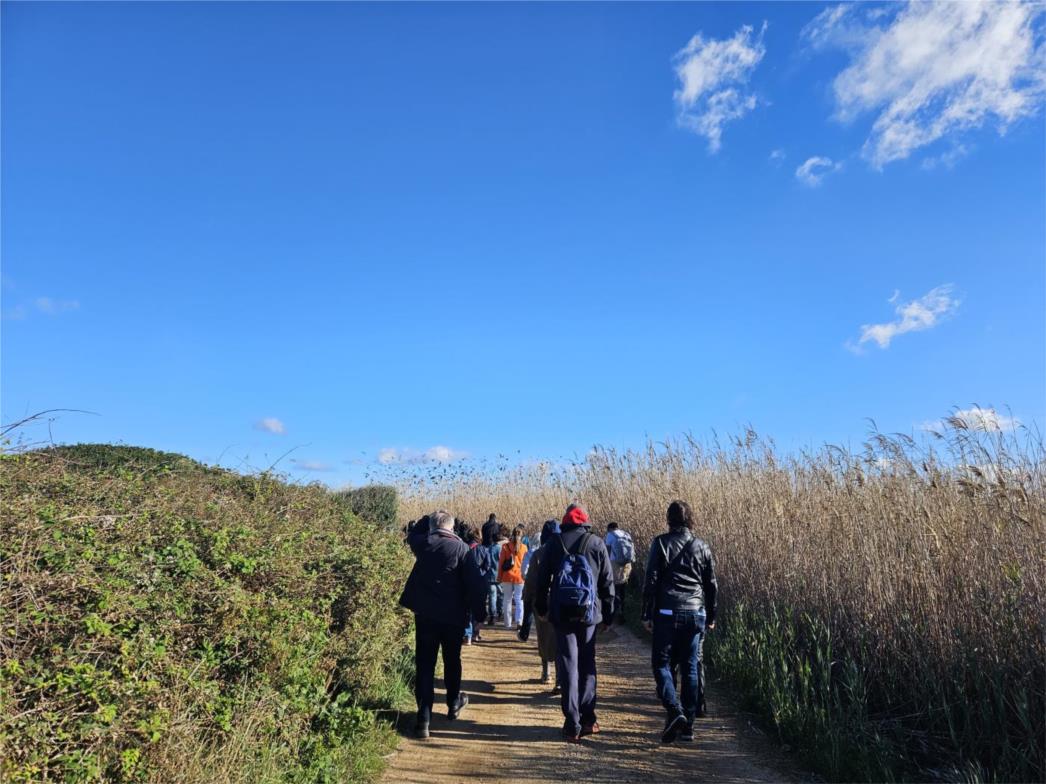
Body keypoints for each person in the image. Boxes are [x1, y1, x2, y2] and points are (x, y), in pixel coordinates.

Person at [399, 510, 487, 739]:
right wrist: (480, 612)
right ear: (451, 527)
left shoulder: (423, 543)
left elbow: (413, 532)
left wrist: (428, 519)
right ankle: (453, 703)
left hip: (426, 616)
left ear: (432, 527)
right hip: (453, 616)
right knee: (452, 660)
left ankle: (423, 719)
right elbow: (475, 584)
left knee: (425, 665)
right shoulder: (461, 549)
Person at [533, 503, 615, 742]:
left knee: (568, 663)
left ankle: (572, 724)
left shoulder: (553, 543)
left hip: (561, 613)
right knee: (587, 661)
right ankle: (589, 719)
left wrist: (541, 608)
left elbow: (542, 580)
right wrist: (608, 616)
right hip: (589, 614)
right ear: (585, 521)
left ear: (565, 521)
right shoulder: (596, 543)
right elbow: (607, 583)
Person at [641, 499, 718, 744]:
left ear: (669, 519)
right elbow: (711, 585)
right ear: (690, 519)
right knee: (690, 667)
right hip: (696, 613)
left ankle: (675, 711)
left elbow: (651, 580)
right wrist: (712, 616)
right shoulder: (702, 546)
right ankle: (689, 727)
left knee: (661, 664)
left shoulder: (661, 543)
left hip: (667, 613)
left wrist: (646, 613)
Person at [520, 519, 561, 692]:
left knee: (543, 636)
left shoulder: (538, 553)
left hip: (542, 601)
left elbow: (531, 581)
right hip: (561, 600)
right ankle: (560, 679)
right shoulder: (565, 551)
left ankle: (546, 672)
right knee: (560, 638)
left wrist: (527, 599)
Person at [604, 522, 636, 624]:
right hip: (627, 564)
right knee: (622, 589)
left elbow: (607, 551)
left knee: (615, 589)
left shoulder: (610, 535)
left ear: (609, 529)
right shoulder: (626, 534)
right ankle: (622, 612)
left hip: (615, 565)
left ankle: (615, 615)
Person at [498, 526, 528, 629]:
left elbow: (501, 563)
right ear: (521, 535)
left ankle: (508, 623)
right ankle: (519, 621)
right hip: (519, 576)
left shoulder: (505, 547)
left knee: (507, 600)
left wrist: (499, 576)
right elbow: (526, 564)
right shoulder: (524, 548)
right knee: (519, 600)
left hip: (507, 576)